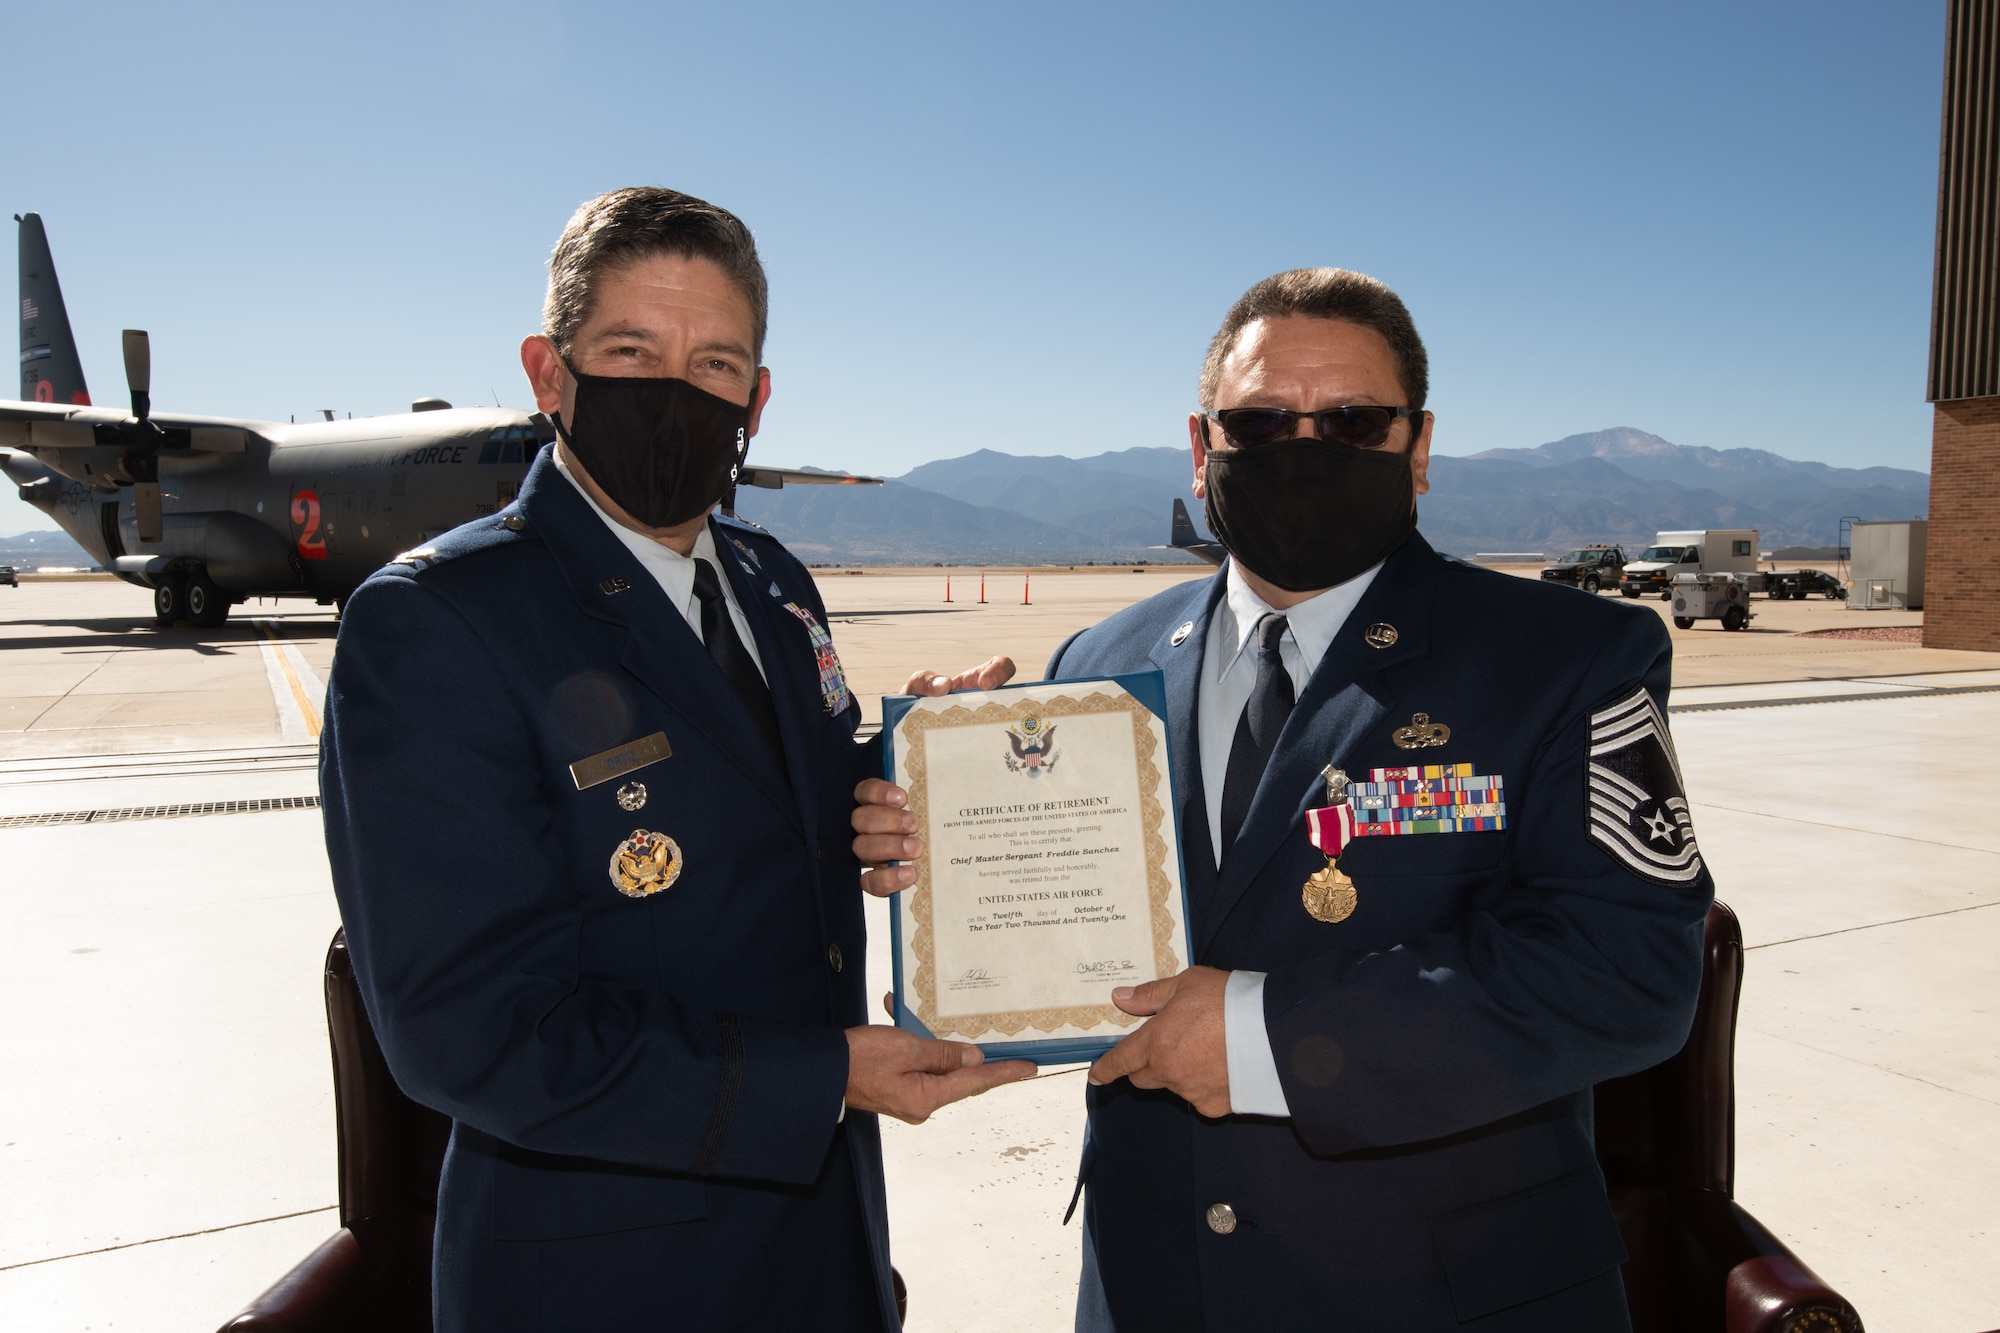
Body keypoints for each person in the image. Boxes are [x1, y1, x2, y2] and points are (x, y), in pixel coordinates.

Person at [854, 268, 1714, 1330]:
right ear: (1201, 443)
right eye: (1259, 422)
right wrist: (936, 826)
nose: (1302, 450)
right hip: (1153, 1279)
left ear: (1419, 446)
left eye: (1351, 421)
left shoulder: (1563, 658)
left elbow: (1624, 973)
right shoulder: (1101, 661)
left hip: (1444, 1292)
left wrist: (1266, 1035)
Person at [322, 187, 1031, 1333]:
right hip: (604, 1276)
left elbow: (761, 791)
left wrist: (913, 767)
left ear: (755, 397)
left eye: (713, 363)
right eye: (629, 349)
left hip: (821, 1247)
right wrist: (825, 1080)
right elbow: (470, 1029)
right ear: (549, 375)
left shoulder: (768, 580)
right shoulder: (441, 619)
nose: (673, 392)